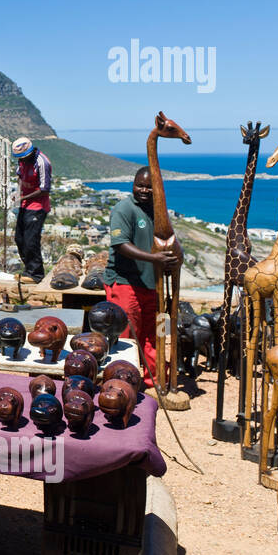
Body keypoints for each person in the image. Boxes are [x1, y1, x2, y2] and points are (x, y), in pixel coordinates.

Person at [102, 166, 179, 390]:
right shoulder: (124, 209)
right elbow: (120, 245)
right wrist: (155, 259)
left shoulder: (158, 211)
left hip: (152, 286)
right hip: (125, 283)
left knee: (155, 333)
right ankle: (122, 381)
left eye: (149, 186)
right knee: (126, 335)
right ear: (132, 185)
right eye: (140, 185)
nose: (144, 190)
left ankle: (152, 378)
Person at [12, 137, 52, 283]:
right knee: (19, 238)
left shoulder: (42, 162)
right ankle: (28, 270)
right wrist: (18, 192)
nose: (23, 160)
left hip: (38, 206)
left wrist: (23, 197)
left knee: (31, 240)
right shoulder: (22, 161)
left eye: (25, 157)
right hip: (25, 204)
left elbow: (45, 189)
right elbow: (20, 176)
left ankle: (36, 274)